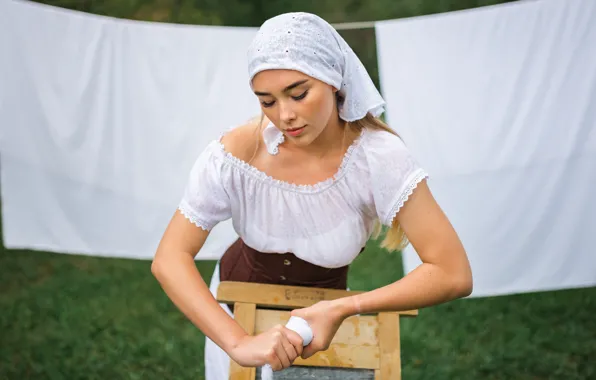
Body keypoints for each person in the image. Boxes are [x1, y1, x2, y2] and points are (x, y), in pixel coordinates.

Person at [151, 11, 473, 380]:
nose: (284, 115)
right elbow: (169, 258)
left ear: (334, 80)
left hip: (326, 320)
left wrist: (344, 309)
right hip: (234, 309)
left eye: (299, 94)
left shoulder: (378, 158)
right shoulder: (235, 154)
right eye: (267, 102)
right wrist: (237, 342)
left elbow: (453, 273)